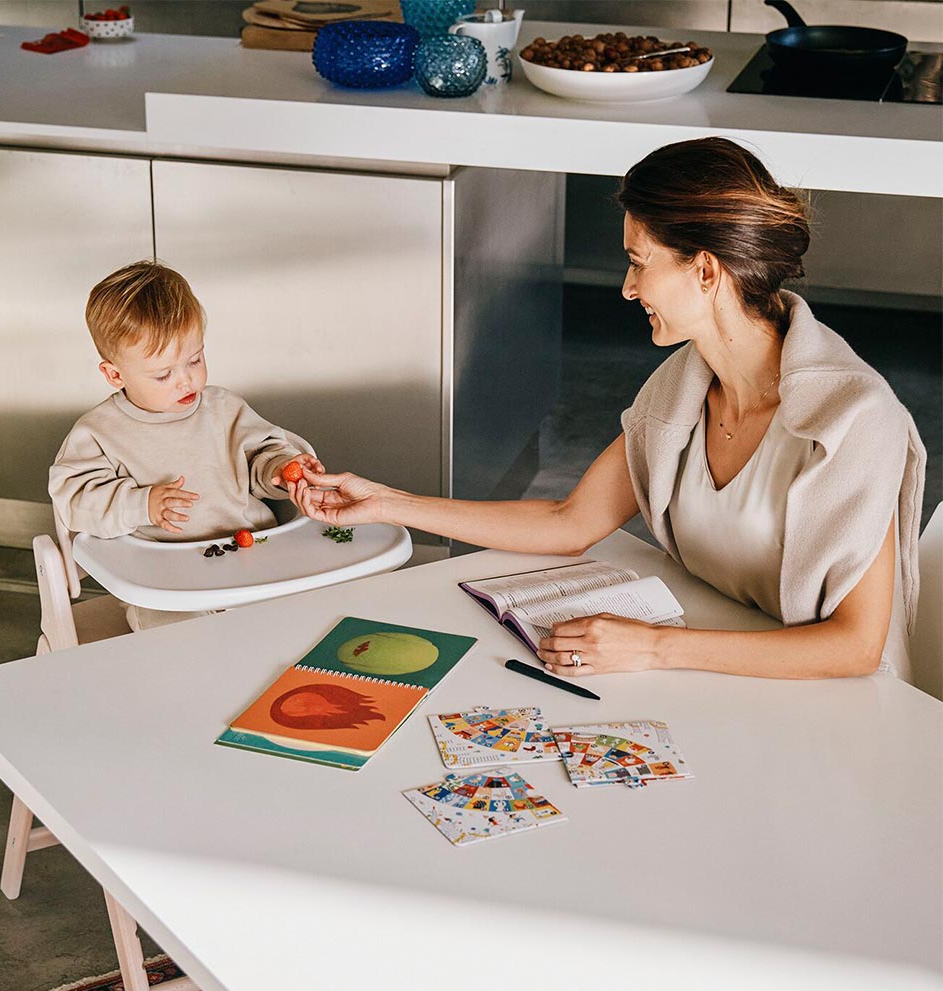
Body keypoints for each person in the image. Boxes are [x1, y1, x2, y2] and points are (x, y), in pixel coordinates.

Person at [289, 138, 926, 681]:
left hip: (829, 707)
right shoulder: (681, 389)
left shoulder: (853, 419)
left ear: (705, 271)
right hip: (717, 671)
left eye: (637, 262)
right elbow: (570, 521)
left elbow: (855, 646)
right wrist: (385, 502)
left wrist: (649, 646)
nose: (625, 287)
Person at [50, 260, 322, 631]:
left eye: (195, 359)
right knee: (179, 645)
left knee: (300, 622)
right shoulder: (99, 433)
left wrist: (278, 470)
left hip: (256, 561)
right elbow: (75, 498)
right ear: (115, 374)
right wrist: (141, 504)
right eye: (164, 374)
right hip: (164, 581)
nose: (186, 380)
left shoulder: (223, 409)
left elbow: (262, 453)